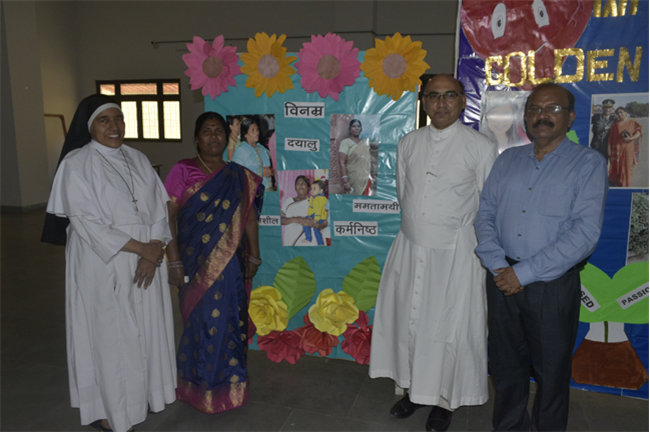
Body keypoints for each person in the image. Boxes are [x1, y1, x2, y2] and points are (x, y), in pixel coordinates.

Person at [474, 83, 608, 431]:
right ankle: (510, 426)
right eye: (534, 108)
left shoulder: (587, 163)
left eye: (553, 108)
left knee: (551, 371)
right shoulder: (507, 160)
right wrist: (499, 265)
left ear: (571, 117)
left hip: (552, 283)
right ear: (525, 117)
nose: (542, 115)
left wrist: (524, 273)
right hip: (501, 277)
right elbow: (485, 215)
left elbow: (584, 233)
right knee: (505, 365)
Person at [368, 74, 498, 432]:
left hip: (456, 253)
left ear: (463, 101)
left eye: (449, 96)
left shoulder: (480, 146)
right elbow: (404, 193)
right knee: (409, 323)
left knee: (448, 329)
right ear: (423, 101)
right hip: (410, 247)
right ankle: (414, 390)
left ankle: (444, 400)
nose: (441, 103)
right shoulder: (409, 142)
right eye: (433, 96)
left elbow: (488, 205)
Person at [42, 94, 177, 432]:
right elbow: (87, 224)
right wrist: (142, 249)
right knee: (109, 335)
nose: (114, 126)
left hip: (147, 258)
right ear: (89, 126)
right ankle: (109, 408)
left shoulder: (138, 158)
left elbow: (160, 212)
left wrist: (155, 247)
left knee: (145, 328)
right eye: (104, 120)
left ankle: (143, 395)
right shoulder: (76, 164)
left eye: (118, 118)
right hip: (103, 262)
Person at [163, 112, 264, 414]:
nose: (213, 136)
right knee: (201, 324)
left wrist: (254, 254)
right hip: (194, 264)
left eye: (219, 131)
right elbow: (167, 217)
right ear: (196, 138)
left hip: (231, 265)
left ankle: (230, 388)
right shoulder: (182, 170)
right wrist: (174, 261)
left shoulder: (238, 175)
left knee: (230, 323)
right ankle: (196, 387)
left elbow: (249, 219)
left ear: (227, 136)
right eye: (206, 131)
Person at [280, 175, 328, 246]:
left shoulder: (314, 201)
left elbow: (325, 223)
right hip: (292, 241)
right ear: (295, 187)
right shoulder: (289, 201)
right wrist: (295, 219)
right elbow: (280, 219)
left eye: (303, 183)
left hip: (312, 244)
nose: (300, 185)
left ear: (308, 187)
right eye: (298, 183)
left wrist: (314, 224)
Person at [232, 117, 274, 190]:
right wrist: (261, 172)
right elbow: (236, 174)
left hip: (268, 190)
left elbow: (274, 163)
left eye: (257, 129)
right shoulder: (240, 151)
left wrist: (271, 171)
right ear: (245, 134)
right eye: (252, 130)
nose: (257, 132)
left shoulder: (262, 149)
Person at [608, 106, 643, 187]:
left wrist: (631, 138)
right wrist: (609, 149)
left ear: (626, 112)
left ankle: (626, 184)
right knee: (618, 166)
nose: (620, 115)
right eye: (618, 113)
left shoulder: (632, 122)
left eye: (621, 112)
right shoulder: (615, 125)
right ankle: (618, 182)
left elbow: (638, 132)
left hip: (628, 149)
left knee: (627, 166)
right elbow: (611, 138)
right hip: (617, 150)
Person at [339, 119, 372, 195]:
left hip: (365, 177)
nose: (356, 128)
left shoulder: (364, 142)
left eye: (358, 126)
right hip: (352, 177)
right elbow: (341, 162)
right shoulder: (346, 142)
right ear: (350, 129)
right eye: (354, 126)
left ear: (361, 129)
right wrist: (345, 180)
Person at [302, 180, 328, 246]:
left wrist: (316, 218)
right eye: (311, 189)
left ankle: (308, 238)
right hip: (321, 217)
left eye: (314, 189)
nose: (312, 191)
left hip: (317, 216)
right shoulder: (318, 198)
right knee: (316, 230)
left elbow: (318, 209)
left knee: (305, 222)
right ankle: (320, 243)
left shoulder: (318, 199)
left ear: (320, 191)